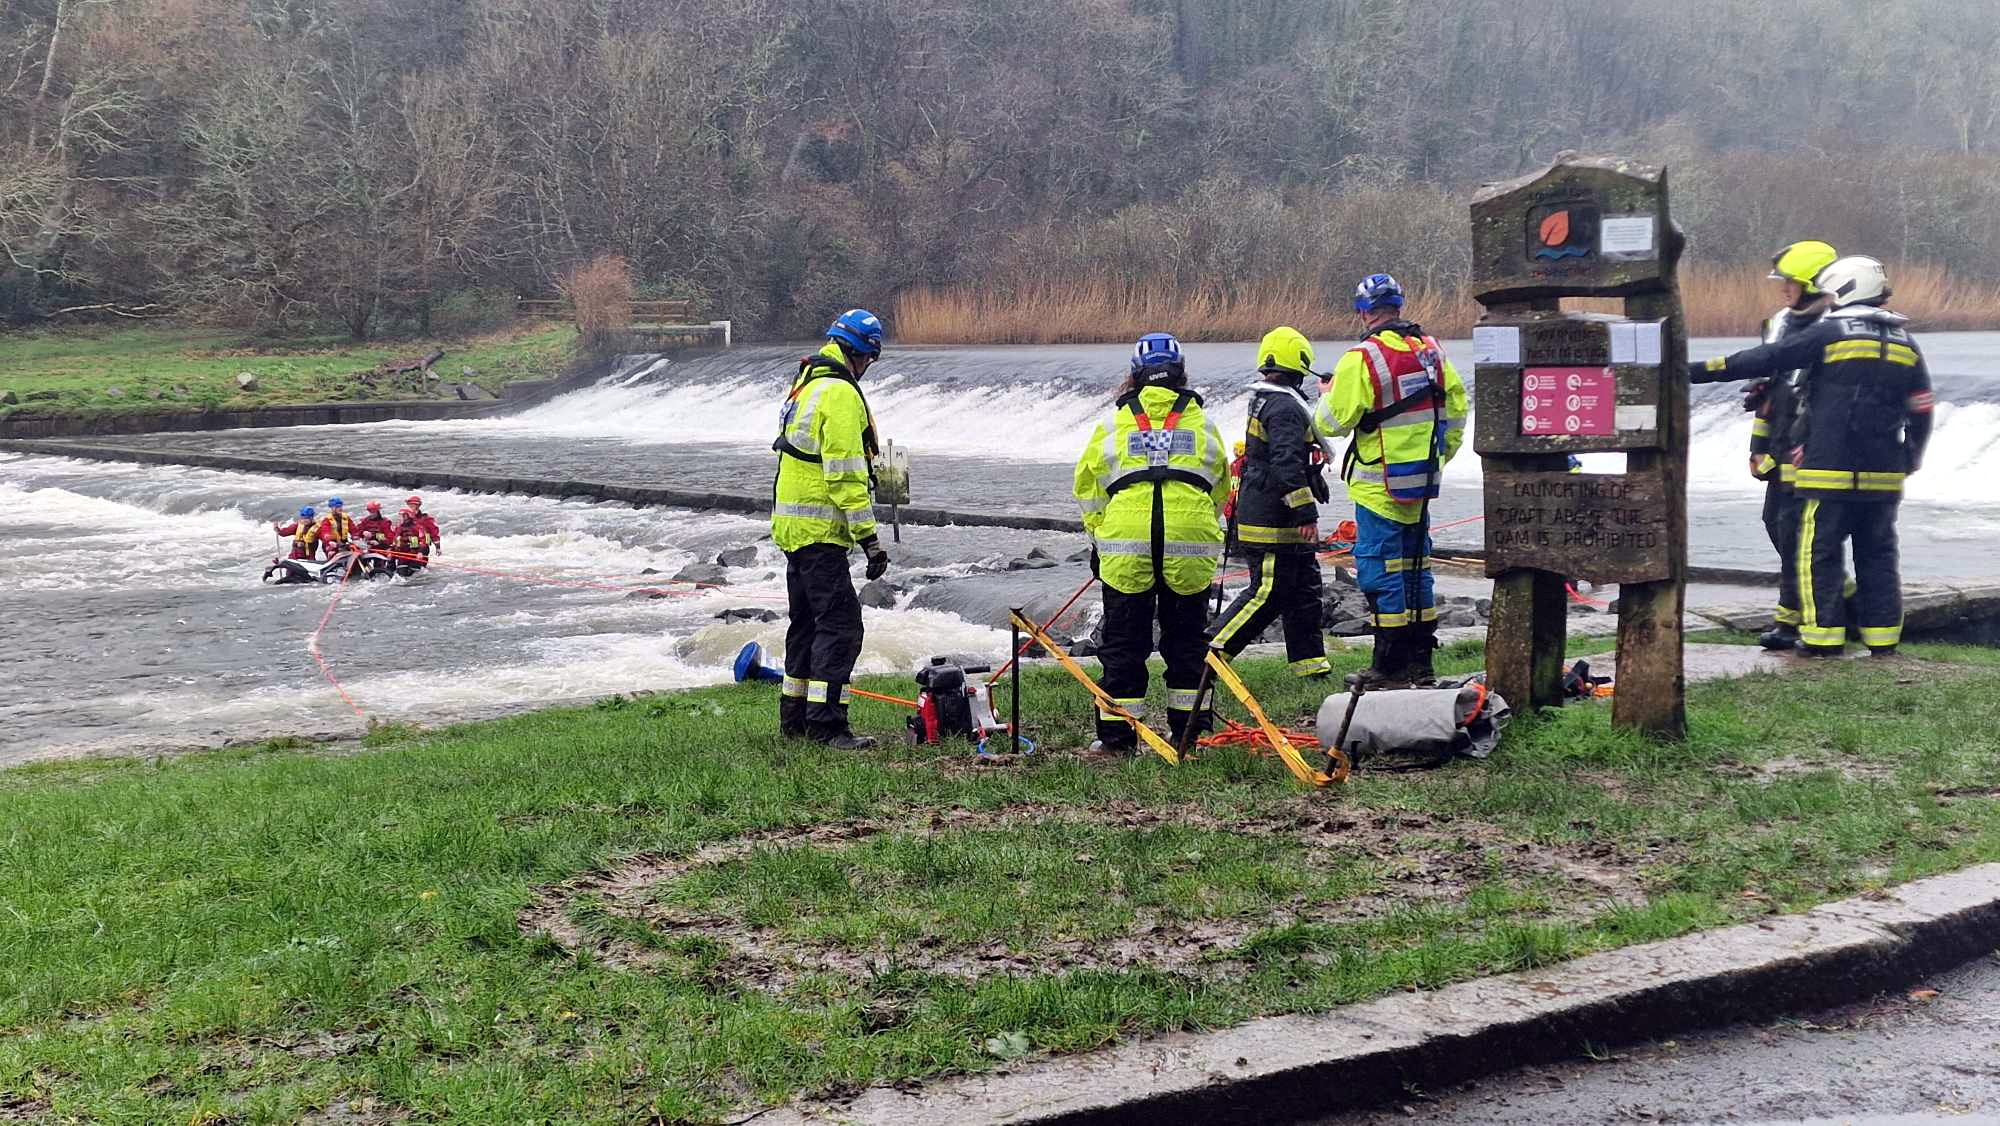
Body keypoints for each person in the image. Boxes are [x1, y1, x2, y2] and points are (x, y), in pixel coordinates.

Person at [1689, 256, 1932, 657]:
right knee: (1879, 557)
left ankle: (1822, 640)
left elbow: (1768, 359)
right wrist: (1910, 457)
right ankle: (1883, 642)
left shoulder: (1831, 333)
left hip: (1829, 471)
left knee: (1817, 554)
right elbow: (1921, 406)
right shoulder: (1906, 342)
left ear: (1846, 290)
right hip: (1885, 477)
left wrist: (1696, 370)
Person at [1073, 332, 1230, 751]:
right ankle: (1189, 735)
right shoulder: (1204, 424)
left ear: (1135, 376)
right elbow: (1221, 489)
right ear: (1180, 375)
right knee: (1189, 644)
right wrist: (1200, 527)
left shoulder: (1112, 424)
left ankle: (1118, 739)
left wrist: (1098, 539)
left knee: (1124, 644)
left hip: (1125, 545)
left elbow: (1088, 489)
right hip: (1190, 545)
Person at [1315, 273, 1469, 687]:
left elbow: (1331, 423)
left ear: (1363, 312)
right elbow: (1456, 410)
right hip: (1421, 482)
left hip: (1379, 484)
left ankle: (1388, 665)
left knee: (1380, 569)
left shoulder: (1362, 358)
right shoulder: (1433, 351)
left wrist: (1327, 393)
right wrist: (1439, 457)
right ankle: (1421, 661)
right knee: (1417, 569)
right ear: (1399, 306)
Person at [772, 309, 891, 749]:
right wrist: (870, 541)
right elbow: (845, 475)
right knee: (841, 627)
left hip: (793, 530)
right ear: (863, 353)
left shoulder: (807, 383)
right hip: (821, 532)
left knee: (805, 625)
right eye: (871, 360)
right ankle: (828, 726)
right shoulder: (839, 394)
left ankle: (796, 720)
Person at [1208, 327, 1332, 679]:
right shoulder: (1284, 406)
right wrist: (1305, 512)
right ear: (1300, 363)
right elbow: (1284, 462)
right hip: (1273, 522)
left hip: (1276, 515)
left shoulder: (1272, 399)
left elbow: (1283, 457)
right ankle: (1208, 656)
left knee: (1305, 592)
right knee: (1267, 593)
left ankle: (1311, 668)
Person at [1743, 240, 1839, 650]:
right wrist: (1756, 448)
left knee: (1799, 535)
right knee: (1776, 526)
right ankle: (1833, 599)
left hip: (1811, 450)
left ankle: (1790, 622)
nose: (1784, 290)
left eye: (1792, 283)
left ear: (1815, 286)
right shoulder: (1779, 324)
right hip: (1779, 447)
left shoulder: (1836, 328)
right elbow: (1770, 395)